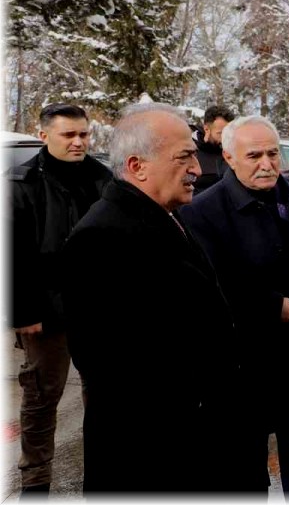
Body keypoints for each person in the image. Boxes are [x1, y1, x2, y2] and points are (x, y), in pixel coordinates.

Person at [60, 103, 241, 493]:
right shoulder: (103, 237)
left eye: (194, 155)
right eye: (184, 158)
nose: (196, 169)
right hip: (152, 461)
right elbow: (110, 365)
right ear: (138, 166)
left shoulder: (163, 215)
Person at [181, 116, 289, 494]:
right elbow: (212, 285)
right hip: (243, 363)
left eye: (271, 153)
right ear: (229, 158)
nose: (266, 163)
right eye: (254, 155)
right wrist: (271, 306)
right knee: (245, 468)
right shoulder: (201, 211)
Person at [5, 103, 111, 494]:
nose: (79, 142)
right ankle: (35, 485)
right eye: (69, 135)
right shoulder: (20, 183)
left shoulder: (103, 179)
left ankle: (102, 480)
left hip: (97, 310)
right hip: (45, 312)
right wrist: (22, 309)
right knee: (40, 399)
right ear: (44, 134)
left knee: (103, 397)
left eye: (84, 134)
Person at [192, 105, 236, 196]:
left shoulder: (234, 152)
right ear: (207, 129)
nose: (226, 138)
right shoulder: (189, 151)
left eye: (228, 133)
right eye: (221, 133)